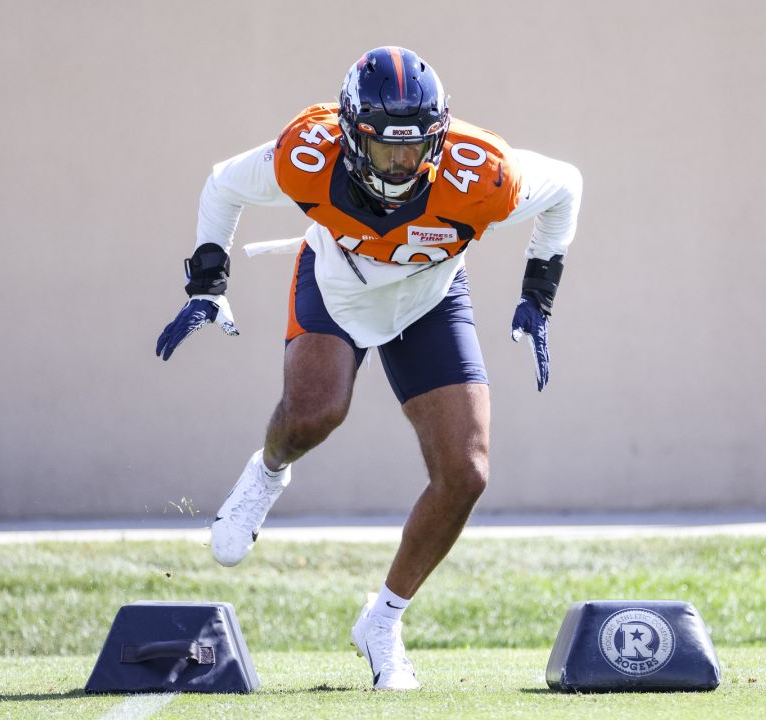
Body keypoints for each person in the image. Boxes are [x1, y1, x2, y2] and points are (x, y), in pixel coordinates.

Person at [155, 46, 581, 690]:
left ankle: (382, 621)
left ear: (438, 142)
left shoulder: (483, 175)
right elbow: (223, 183)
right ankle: (267, 473)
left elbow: (567, 186)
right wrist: (207, 285)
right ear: (351, 137)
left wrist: (537, 293)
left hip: (430, 296)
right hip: (338, 284)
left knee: (466, 472)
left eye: (413, 149)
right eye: (385, 148)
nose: (401, 163)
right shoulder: (309, 156)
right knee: (314, 414)